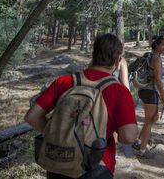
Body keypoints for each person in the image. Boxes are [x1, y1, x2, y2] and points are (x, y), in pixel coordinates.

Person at [24, 33, 138, 179]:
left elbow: (32, 117)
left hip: (59, 163)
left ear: (93, 55)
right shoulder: (119, 91)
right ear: (117, 62)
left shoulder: (64, 81)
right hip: (96, 165)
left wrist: (61, 135)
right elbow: (128, 137)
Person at [132, 36, 164, 158]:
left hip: (145, 90)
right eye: (163, 45)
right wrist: (163, 97)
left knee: (153, 118)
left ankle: (138, 141)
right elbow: (158, 80)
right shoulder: (156, 59)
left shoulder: (149, 55)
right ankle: (141, 150)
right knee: (149, 121)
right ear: (157, 45)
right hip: (150, 91)